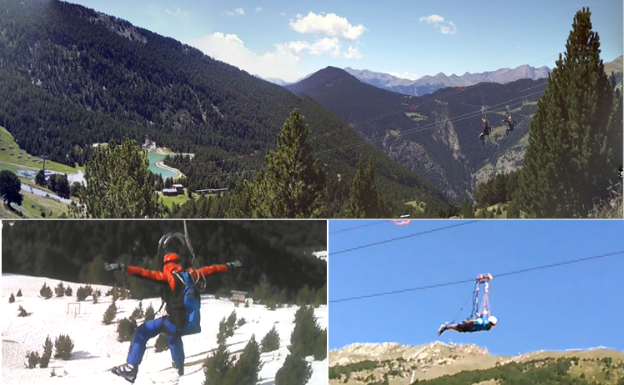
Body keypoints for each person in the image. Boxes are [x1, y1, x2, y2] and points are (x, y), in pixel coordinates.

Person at [104, 235, 242, 384]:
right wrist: (230, 265)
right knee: (173, 336)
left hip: (174, 322)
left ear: (165, 263)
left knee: (143, 332)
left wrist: (123, 268)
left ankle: (131, 368)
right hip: (190, 324)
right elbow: (212, 269)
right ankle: (180, 366)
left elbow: (144, 273)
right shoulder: (192, 275)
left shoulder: (167, 277)